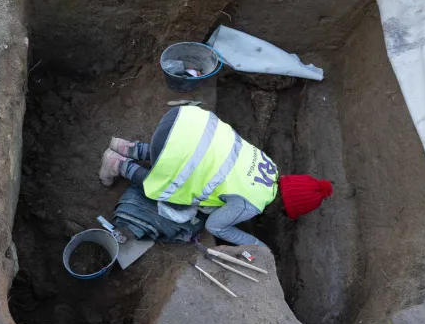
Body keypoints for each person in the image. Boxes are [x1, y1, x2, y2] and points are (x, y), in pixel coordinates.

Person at [98, 105, 332, 247]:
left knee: (185, 154)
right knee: (175, 196)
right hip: (175, 146)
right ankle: (119, 165)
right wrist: (256, 245)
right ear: (287, 208)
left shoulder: (269, 164)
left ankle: (128, 147)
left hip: (184, 122)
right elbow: (216, 226)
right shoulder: (251, 204)